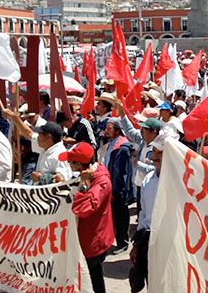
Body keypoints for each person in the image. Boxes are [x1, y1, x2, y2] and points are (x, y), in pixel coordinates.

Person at [65, 142, 114, 293]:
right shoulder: (88, 173)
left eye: (70, 162)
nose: (68, 165)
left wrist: (84, 185)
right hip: (86, 237)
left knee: (93, 279)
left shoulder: (101, 181)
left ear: (78, 164)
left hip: (94, 241)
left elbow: (84, 209)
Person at [129, 134, 165, 293]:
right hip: (147, 240)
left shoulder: (178, 182)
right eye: (154, 151)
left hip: (167, 243)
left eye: (160, 152)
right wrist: (137, 244)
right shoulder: (148, 179)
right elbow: (143, 214)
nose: (155, 156)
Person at [4, 109, 72, 184]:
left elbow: (63, 180)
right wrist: (14, 118)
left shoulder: (60, 155)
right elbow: (29, 134)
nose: (37, 136)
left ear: (49, 137)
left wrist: (41, 178)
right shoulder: (47, 147)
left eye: (40, 134)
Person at [104, 117, 134, 254]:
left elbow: (122, 173)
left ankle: (122, 242)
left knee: (120, 217)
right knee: (114, 216)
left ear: (117, 130)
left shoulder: (122, 148)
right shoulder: (112, 143)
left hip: (118, 189)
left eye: (109, 128)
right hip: (111, 185)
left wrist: (116, 192)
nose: (106, 131)